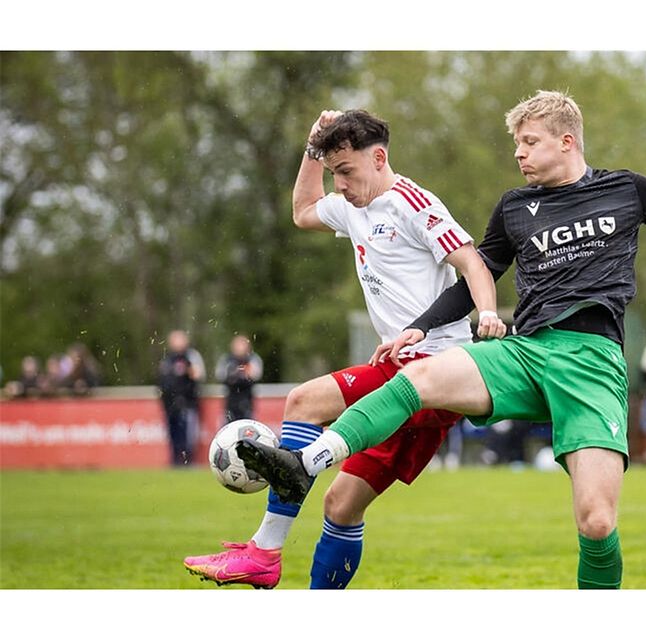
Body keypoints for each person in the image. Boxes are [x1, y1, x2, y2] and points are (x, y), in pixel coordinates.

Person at [237, 90, 646, 589]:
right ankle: (304, 464)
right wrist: (422, 326)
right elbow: (477, 272)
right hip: (526, 353)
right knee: (420, 377)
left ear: (567, 139)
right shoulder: (514, 207)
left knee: (596, 520)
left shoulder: (625, 190)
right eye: (516, 146)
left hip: (592, 362)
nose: (520, 155)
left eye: (528, 142)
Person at [184, 109, 504, 589]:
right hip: (401, 370)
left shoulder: (412, 203)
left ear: (379, 158)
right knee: (341, 505)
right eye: (334, 173)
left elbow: (473, 264)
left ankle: (265, 552)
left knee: (303, 402)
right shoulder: (351, 205)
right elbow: (302, 210)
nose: (341, 185)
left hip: (434, 372)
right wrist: (312, 149)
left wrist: (488, 313)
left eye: (347, 172)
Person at [158, 329, 206, 466]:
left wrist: (186, 371)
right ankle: (175, 461)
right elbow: (162, 380)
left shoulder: (191, 356)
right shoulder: (167, 358)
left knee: (187, 435)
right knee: (173, 434)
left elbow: (198, 375)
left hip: (187, 403)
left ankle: (188, 461)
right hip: (170, 405)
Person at [215, 334, 264, 423]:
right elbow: (220, 375)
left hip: (247, 401)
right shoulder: (226, 359)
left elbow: (255, 375)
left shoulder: (253, 359)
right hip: (231, 401)